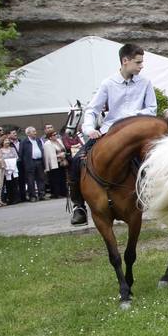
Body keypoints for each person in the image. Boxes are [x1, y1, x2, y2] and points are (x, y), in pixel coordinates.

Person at [69, 42, 157, 225]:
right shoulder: (108, 83)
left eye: (142, 62)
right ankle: (79, 207)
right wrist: (89, 129)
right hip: (108, 132)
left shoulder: (145, 82)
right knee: (77, 160)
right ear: (125, 61)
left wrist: (132, 119)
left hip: (135, 134)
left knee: (154, 161)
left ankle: (154, 199)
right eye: (138, 62)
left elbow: (152, 109)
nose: (142, 66)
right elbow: (92, 109)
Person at [18, 126, 47, 201]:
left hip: (39, 161)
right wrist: (24, 163)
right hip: (30, 162)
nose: (35, 133)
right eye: (33, 131)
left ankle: (41, 194)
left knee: (41, 178)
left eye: (35, 131)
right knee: (30, 180)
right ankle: (32, 196)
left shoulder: (38, 140)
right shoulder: (24, 142)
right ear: (28, 133)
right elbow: (21, 154)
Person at [0, 136, 20, 204]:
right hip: (6, 170)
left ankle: (16, 198)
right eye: (5, 141)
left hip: (14, 168)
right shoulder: (0, 150)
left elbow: (16, 157)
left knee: (15, 183)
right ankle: (10, 198)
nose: (7, 142)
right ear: (2, 142)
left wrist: (12, 162)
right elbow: (1, 159)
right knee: (8, 184)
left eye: (8, 140)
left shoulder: (12, 149)